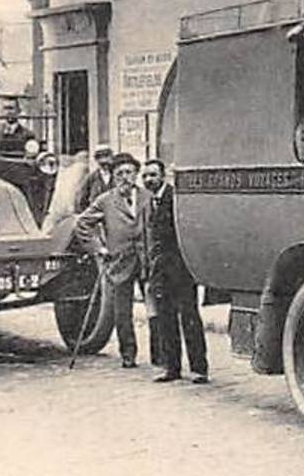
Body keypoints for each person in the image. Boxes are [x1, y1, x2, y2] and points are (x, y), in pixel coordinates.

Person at [139, 157, 209, 384]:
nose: (149, 179)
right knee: (165, 319)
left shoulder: (175, 199)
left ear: (163, 176)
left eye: (153, 175)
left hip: (181, 269)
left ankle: (199, 368)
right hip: (159, 271)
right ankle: (172, 367)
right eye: (146, 176)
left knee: (189, 317)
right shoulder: (149, 203)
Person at [72, 152, 144, 369]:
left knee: (157, 309)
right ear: (113, 176)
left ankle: (161, 357)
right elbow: (82, 224)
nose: (124, 177)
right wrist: (98, 248)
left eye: (129, 172)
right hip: (119, 260)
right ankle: (128, 354)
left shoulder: (148, 196)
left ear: (136, 174)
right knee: (122, 312)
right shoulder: (105, 200)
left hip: (147, 260)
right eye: (119, 173)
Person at [75, 144, 116, 211]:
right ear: (97, 160)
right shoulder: (91, 179)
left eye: (106, 156)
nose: (104, 160)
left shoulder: (117, 177)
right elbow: (82, 201)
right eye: (100, 157)